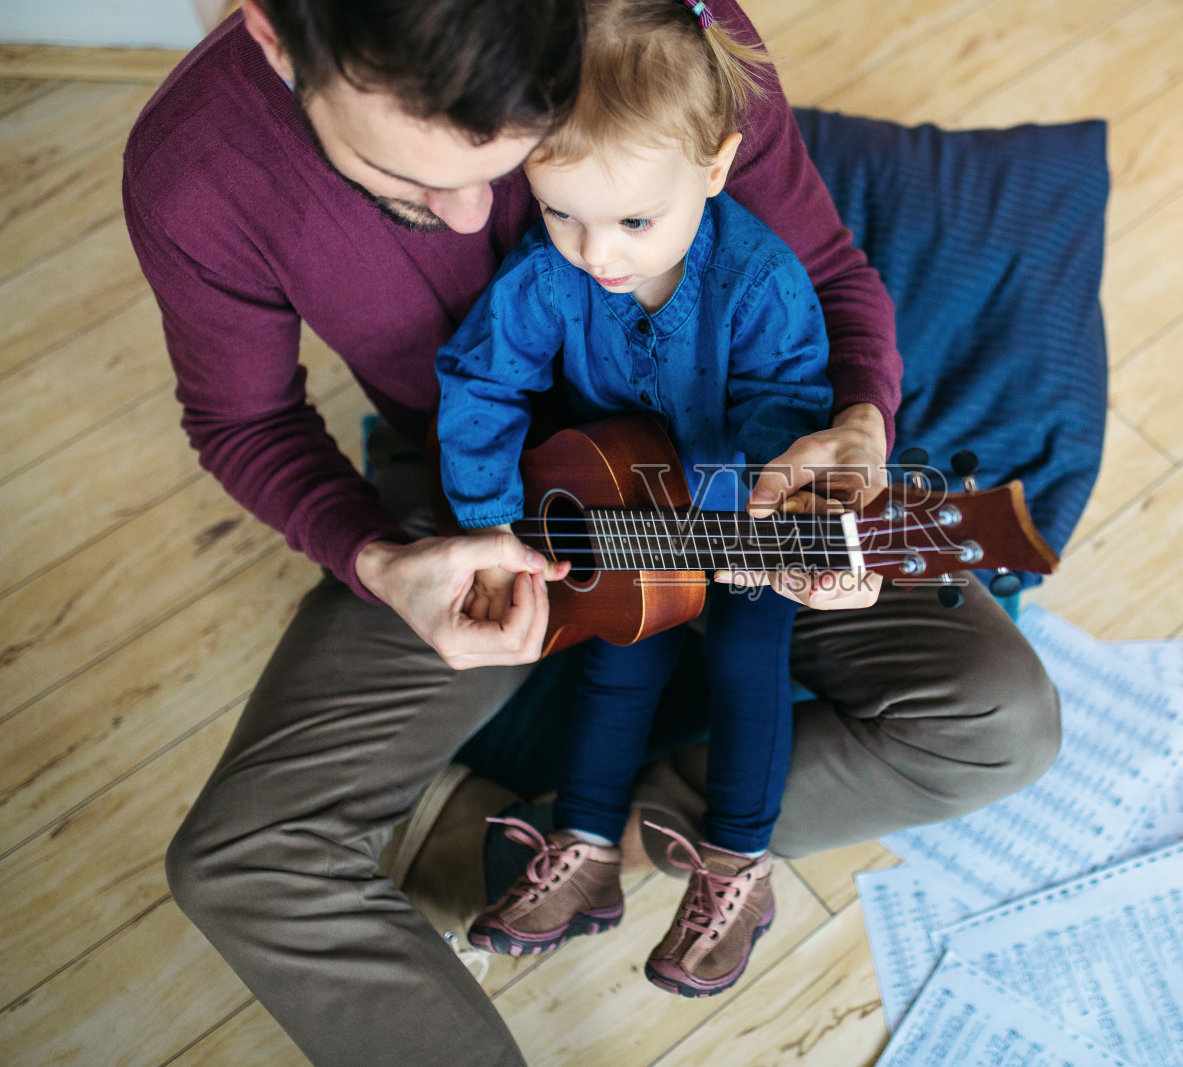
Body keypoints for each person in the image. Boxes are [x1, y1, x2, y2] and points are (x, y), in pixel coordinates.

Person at [122, 0, 1060, 1061]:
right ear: (277, 34)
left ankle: (583, 830)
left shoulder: (649, 28)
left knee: (1004, 723)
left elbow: (826, 276)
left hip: (742, 487)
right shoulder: (196, 170)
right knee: (238, 859)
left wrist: (854, 430)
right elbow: (244, 418)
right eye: (405, 185)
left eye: (510, 158)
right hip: (485, 509)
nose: (479, 216)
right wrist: (380, 558)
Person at [435, 0, 831, 996]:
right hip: (618, 502)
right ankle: (585, 845)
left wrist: (726, 504)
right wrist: (486, 520)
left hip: (739, 517)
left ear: (713, 167)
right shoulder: (544, 274)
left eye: (633, 221)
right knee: (620, 656)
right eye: (560, 211)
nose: (594, 253)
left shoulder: (758, 281)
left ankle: (738, 863)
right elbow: (481, 381)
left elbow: (786, 405)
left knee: (749, 655)